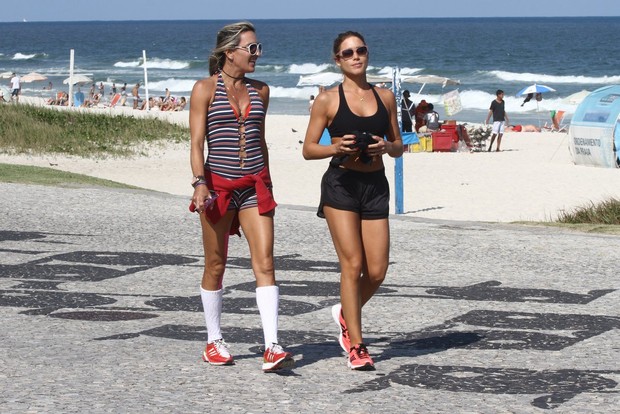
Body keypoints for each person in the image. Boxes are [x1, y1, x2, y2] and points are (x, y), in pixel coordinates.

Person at [189, 21, 294, 372]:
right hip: (216, 187)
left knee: (265, 261)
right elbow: (196, 143)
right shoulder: (204, 89)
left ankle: (272, 345)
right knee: (216, 264)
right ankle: (214, 340)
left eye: (258, 47)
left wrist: (269, 182)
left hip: (254, 186)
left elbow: (261, 140)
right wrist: (199, 182)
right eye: (252, 48)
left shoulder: (261, 90)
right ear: (229, 52)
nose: (258, 54)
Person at [302, 31, 403, 370]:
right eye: (348, 53)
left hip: (375, 184)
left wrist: (385, 147)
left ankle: (346, 313)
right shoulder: (328, 100)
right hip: (341, 184)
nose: (356, 56)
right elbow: (308, 149)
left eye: (360, 50)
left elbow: (399, 145)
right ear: (338, 60)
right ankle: (357, 346)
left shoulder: (386, 97)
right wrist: (337, 147)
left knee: (377, 269)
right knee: (353, 264)